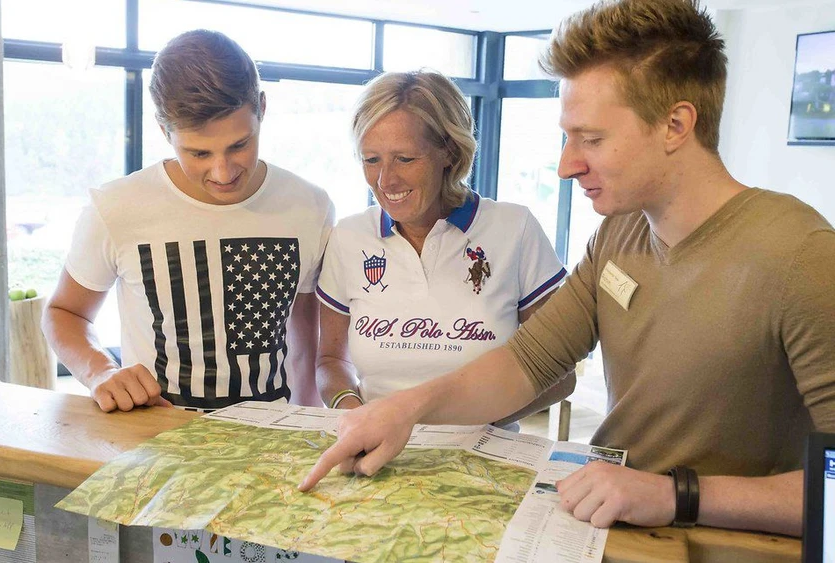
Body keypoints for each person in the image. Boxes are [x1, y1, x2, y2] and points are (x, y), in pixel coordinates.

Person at [300, 0, 835, 538]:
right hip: (615, 530)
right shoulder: (618, 236)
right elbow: (528, 363)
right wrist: (402, 411)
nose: (565, 165)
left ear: (675, 125)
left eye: (591, 138)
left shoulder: (801, 255)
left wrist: (677, 494)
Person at [43, 30, 334, 413]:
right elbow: (64, 313)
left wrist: (310, 423)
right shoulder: (116, 207)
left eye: (239, 145)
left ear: (262, 108)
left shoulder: (309, 206)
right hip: (152, 444)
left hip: (272, 445)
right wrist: (100, 371)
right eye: (198, 152)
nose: (223, 170)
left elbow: (306, 342)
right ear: (165, 131)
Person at [314, 70, 574, 421]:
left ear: (449, 151)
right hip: (372, 451)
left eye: (404, 159)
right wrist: (354, 413)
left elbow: (560, 372)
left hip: (481, 454)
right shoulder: (348, 238)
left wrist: (478, 422)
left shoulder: (515, 229)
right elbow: (332, 360)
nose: (385, 180)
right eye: (371, 159)